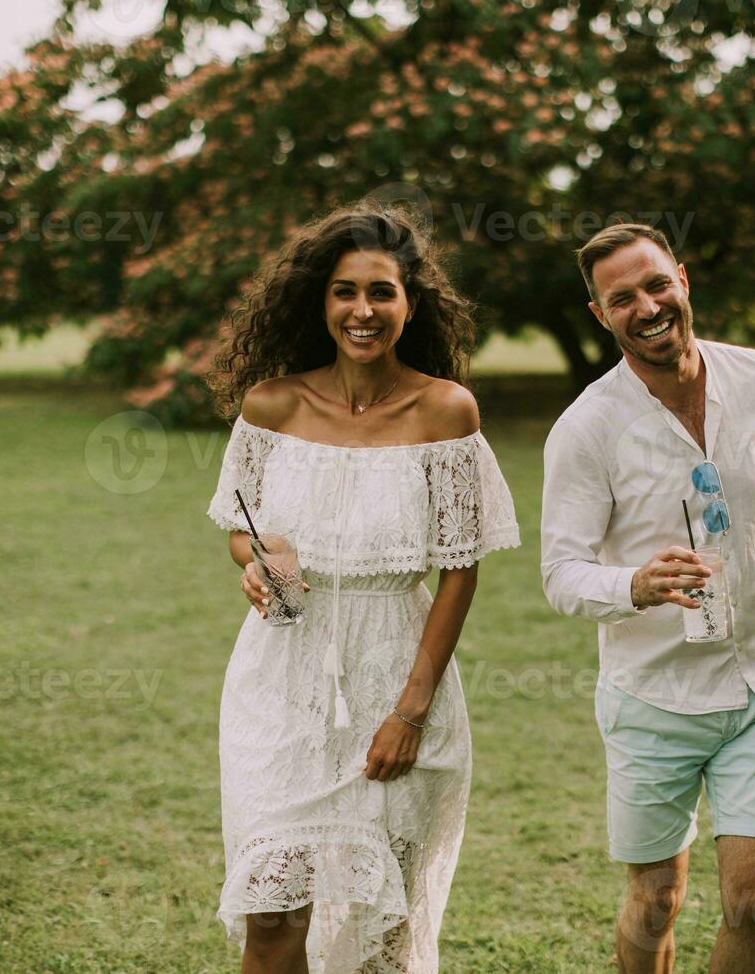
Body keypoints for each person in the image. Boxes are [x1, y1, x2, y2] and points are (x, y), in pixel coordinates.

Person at [205, 202, 520, 973]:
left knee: (383, 932)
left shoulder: (445, 412)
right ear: (321, 300)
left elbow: (459, 570)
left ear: (411, 303)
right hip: (279, 684)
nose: (362, 310)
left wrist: (409, 713)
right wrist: (256, 558)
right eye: (345, 291)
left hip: (397, 679)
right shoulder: (271, 406)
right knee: (271, 913)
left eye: (381, 292)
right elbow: (238, 524)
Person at [540, 223, 755, 973]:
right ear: (599, 315)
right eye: (622, 298)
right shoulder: (586, 429)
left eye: (655, 285)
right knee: (655, 903)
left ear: (682, 278)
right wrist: (634, 586)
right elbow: (561, 572)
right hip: (655, 698)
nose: (646, 306)